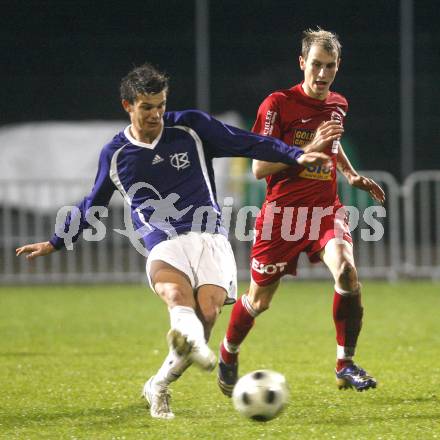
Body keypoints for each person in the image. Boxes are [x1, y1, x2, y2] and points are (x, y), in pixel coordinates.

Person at [15, 63, 336, 419]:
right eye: (146, 107)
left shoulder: (191, 127)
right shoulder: (117, 154)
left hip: (209, 234)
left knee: (209, 312)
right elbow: (94, 203)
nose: (155, 114)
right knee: (176, 297)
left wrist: (294, 154)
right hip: (163, 240)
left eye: (160, 105)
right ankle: (189, 340)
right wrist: (56, 241)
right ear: (128, 106)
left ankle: (160, 382)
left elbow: (245, 141)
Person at [218, 28, 386, 397]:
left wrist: (351, 175)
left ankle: (345, 364)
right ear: (302, 63)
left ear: (338, 66)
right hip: (282, 218)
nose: (322, 74)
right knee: (259, 301)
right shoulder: (277, 104)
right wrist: (310, 146)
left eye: (330, 66)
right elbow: (259, 169)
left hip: (326, 211)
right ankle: (228, 353)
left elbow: (334, 144)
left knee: (346, 270)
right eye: (316, 65)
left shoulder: (338, 103)